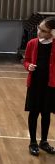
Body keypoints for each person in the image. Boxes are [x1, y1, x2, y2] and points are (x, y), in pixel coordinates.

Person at [23, 17, 55, 156]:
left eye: (43, 30)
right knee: (34, 113)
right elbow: (26, 60)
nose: (39, 32)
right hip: (35, 84)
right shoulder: (32, 43)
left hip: (49, 85)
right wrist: (28, 66)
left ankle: (44, 141)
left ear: (52, 32)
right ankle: (33, 142)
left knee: (46, 113)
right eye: (39, 28)